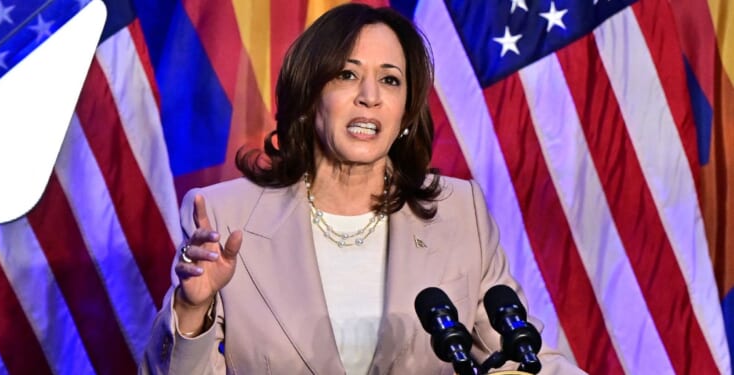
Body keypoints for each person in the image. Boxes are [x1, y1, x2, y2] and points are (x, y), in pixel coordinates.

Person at [141, 3, 586, 374]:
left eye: (390, 79)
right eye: (346, 75)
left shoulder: (459, 212)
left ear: (406, 112)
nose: (370, 96)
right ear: (308, 96)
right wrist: (192, 311)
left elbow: (521, 359)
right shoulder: (227, 216)